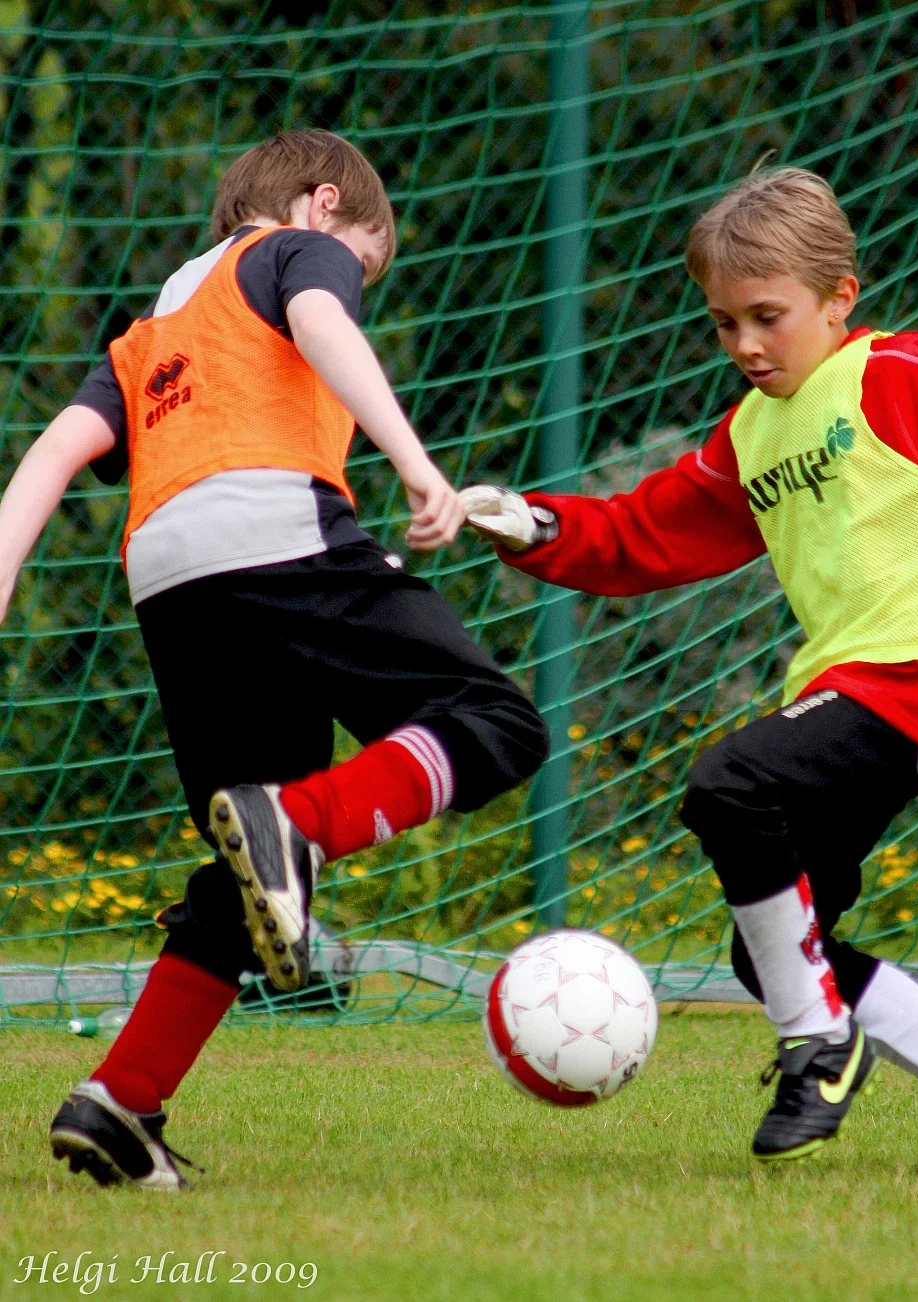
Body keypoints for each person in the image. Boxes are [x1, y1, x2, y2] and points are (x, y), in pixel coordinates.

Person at [0, 129, 547, 1189]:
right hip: (277, 532)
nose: (354, 286)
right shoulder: (293, 251)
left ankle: (118, 1103)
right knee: (497, 723)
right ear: (321, 203)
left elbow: (57, 450)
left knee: (248, 880)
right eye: (363, 264)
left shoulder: (156, 326)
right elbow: (317, 318)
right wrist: (411, 457)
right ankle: (297, 827)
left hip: (168, 582)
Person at [460, 165, 918, 1168]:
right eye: (723, 324)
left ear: (838, 298)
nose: (746, 346)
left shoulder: (894, 376)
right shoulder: (753, 434)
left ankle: (818, 1046)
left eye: (767, 316)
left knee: (731, 783)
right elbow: (643, 534)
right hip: (843, 691)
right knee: (772, 946)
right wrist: (535, 524)